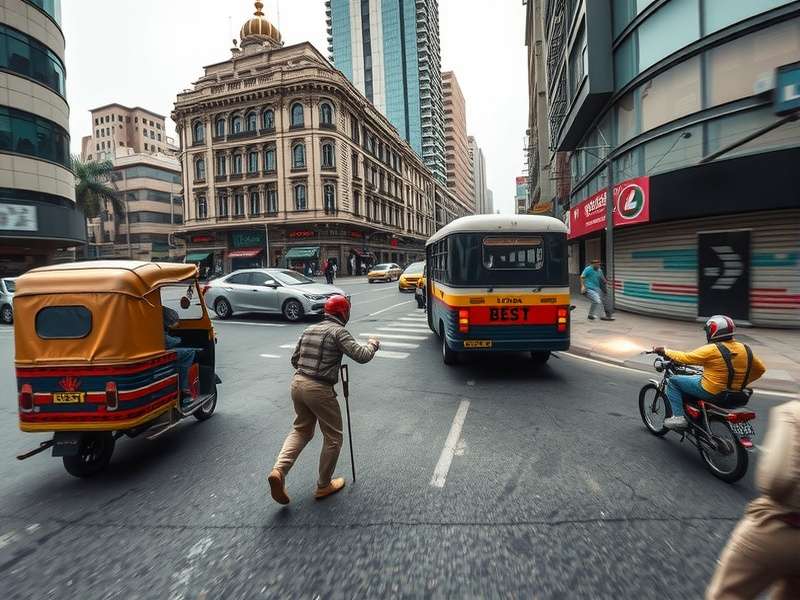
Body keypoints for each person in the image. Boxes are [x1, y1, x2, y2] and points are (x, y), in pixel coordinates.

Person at [267, 295, 380, 504]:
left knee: (301, 430)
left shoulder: (309, 329)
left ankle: (279, 471)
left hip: (298, 383)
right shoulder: (339, 331)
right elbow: (362, 355)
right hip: (319, 388)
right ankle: (323, 485)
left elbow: (294, 359)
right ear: (343, 313)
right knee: (334, 437)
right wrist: (372, 344)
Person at [706, 400, 800, 599]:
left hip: (779, 527)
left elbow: (775, 480)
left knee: (729, 594)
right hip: (736, 394)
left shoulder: (793, 413)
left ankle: (678, 418)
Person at [654, 315, 766, 430]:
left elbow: (686, 358)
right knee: (696, 377)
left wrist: (665, 351)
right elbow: (761, 369)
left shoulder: (712, 349)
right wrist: (741, 381)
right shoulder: (744, 348)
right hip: (736, 393)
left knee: (674, 381)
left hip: (712, 392)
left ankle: (679, 418)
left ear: (713, 331)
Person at [162, 306, 196, 407]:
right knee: (189, 352)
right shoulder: (159, 313)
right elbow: (166, 342)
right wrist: (179, 340)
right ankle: (185, 389)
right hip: (161, 350)